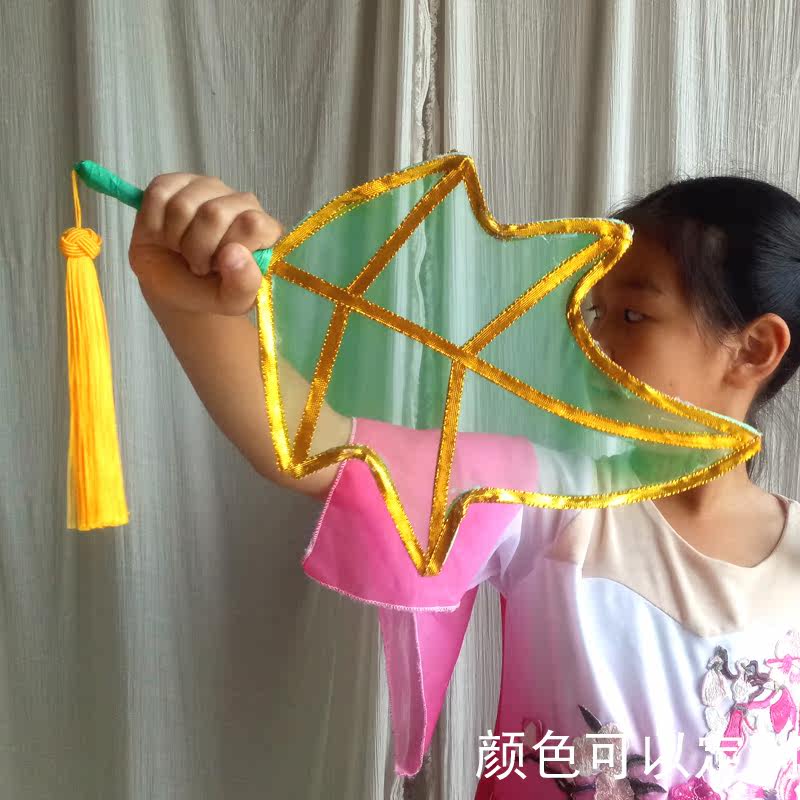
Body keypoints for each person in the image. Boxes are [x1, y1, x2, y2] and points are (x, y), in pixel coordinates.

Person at [128, 170, 800, 799]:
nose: (593, 342)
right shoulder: (555, 502)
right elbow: (320, 445)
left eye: (632, 316)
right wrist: (191, 306)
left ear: (754, 350)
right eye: (594, 313)